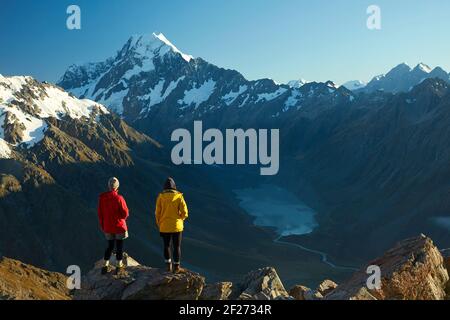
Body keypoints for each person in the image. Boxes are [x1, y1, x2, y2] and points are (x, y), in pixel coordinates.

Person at [155, 177, 188, 273]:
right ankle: (176, 267)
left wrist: (160, 224)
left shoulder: (161, 197)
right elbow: (185, 212)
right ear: (174, 187)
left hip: (164, 226)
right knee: (177, 246)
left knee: (166, 246)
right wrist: (180, 219)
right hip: (177, 226)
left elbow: (157, 213)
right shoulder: (179, 197)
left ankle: (168, 266)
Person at [97, 177, 129, 275]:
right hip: (119, 226)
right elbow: (125, 213)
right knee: (119, 246)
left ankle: (105, 265)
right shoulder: (119, 198)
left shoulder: (102, 198)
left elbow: (100, 213)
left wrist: (103, 225)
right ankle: (119, 267)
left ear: (109, 186)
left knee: (110, 246)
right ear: (117, 187)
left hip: (107, 226)